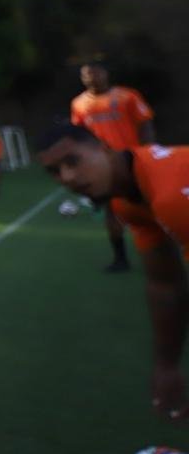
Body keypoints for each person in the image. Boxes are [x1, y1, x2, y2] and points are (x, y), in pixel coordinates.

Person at [36, 123, 188, 421]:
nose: (67, 178)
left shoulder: (172, 195)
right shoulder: (126, 201)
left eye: (73, 161)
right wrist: (166, 365)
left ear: (104, 148)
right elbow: (164, 284)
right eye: (55, 171)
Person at [70, 60, 156, 273]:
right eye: (86, 74)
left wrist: (149, 152)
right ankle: (121, 259)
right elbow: (79, 136)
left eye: (95, 72)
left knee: (150, 207)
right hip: (104, 167)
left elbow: (145, 123)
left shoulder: (127, 96)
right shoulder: (79, 104)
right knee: (112, 211)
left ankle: (161, 252)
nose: (91, 77)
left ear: (105, 73)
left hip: (134, 160)